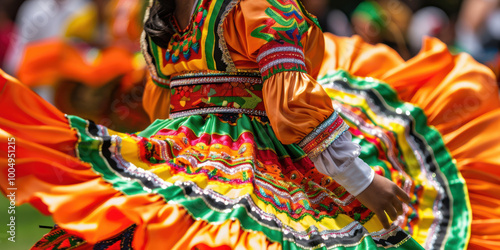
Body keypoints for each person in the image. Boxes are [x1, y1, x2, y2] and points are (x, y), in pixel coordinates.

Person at [1, 0, 499, 249]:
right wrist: (362, 182)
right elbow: (291, 104)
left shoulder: (161, 12)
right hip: (264, 158)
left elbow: (163, 104)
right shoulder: (254, 4)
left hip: (185, 152)